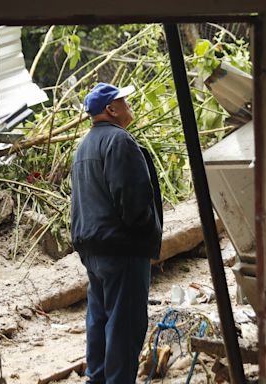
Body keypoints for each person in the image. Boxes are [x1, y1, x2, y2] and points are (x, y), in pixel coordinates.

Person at [70, 82, 163, 384]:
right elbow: (133, 200)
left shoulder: (84, 146)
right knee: (124, 328)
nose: (129, 105)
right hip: (123, 250)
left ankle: (95, 380)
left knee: (99, 321)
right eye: (124, 101)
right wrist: (146, 233)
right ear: (111, 110)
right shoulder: (120, 141)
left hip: (94, 250)